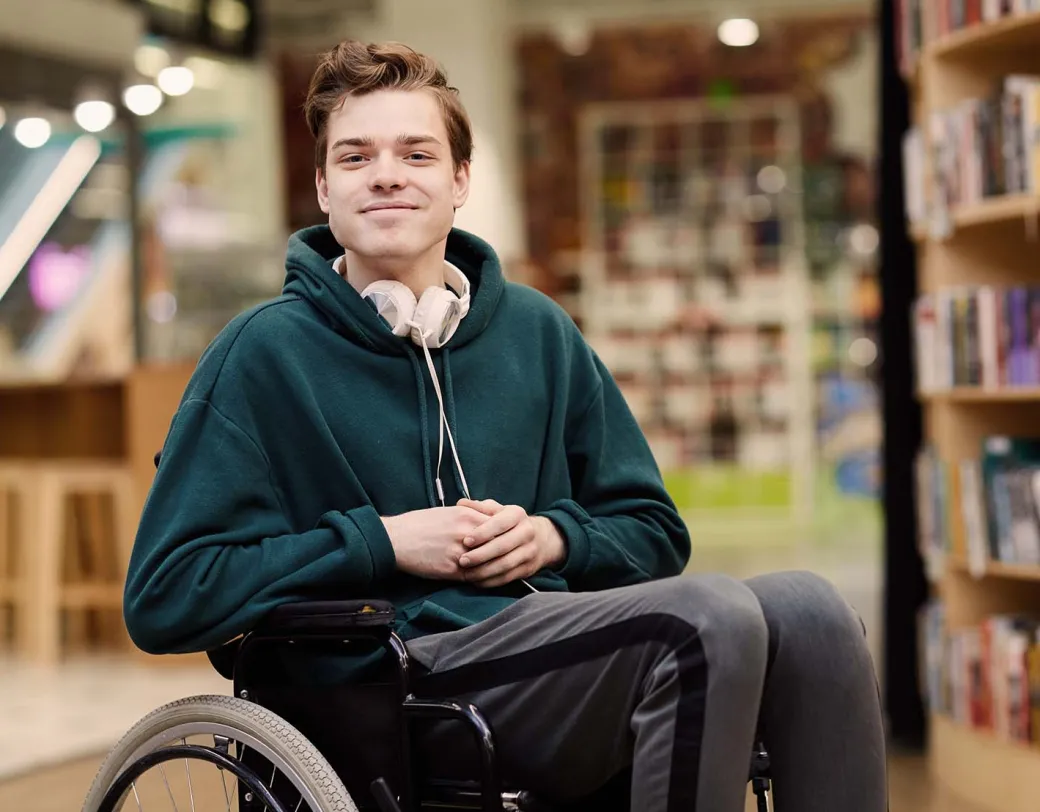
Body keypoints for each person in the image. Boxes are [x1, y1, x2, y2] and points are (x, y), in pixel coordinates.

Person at [123, 40, 888, 812]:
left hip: (550, 649)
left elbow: (653, 530)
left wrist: (555, 538)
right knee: (707, 618)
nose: (386, 173)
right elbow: (166, 594)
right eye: (355, 158)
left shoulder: (538, 332)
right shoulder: (261, 355)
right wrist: (383, 541)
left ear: (459, 181)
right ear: (323, 187)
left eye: (416, 153)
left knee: (812, 613)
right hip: (389, 685)